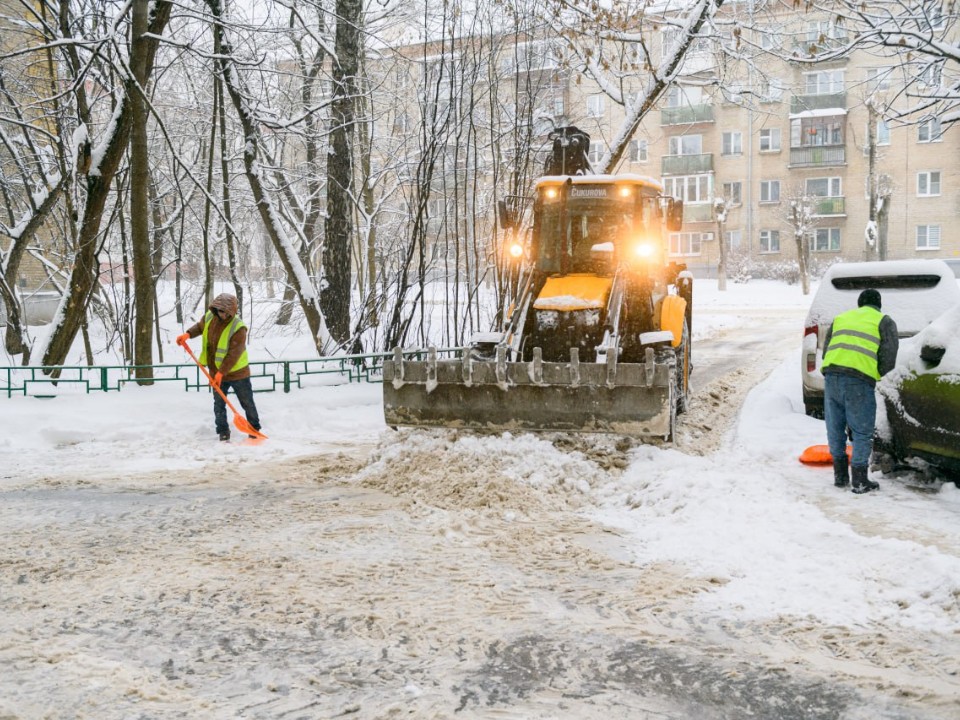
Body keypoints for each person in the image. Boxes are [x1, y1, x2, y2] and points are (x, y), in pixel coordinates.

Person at [821, 288, 898, 494]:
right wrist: (873, 373)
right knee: (862, 430)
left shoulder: (841, 318)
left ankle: (840, 476)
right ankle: (860, 480)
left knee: (835, 427)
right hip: (859, 380)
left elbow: (827, 350)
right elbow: (889, 359)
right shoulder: (884, 321)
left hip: (831, 376)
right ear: (878, 305)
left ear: (859, 304)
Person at [177, 294, 262, 442]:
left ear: (232, 311)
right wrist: (188, 334)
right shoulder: (210, 317)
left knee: (247, 402)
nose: (222, 314)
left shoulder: (238, 328)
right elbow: (200, 327)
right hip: (215, 371)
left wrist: (221, 373)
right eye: (219, 310)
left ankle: (254, 429)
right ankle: (223, 431)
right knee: (219, 404)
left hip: (238, 373)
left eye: (225, 312)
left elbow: (233, 355)